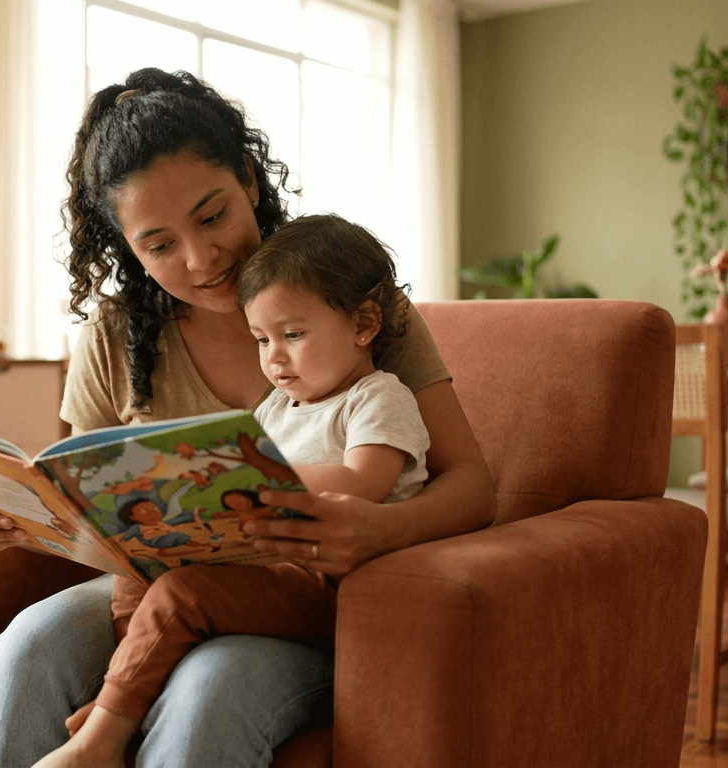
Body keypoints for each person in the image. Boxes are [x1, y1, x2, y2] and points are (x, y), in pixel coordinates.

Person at [0, 68, 495, 768]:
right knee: (29, 644)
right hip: (169, 581)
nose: (201, 260)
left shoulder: (344, 301)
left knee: (212, 683)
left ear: (249, 180)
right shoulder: (116, 335)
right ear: (126, 247)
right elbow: (95, 510)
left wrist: (380, 527)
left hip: (307, 593)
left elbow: (472, 483)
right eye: (159, 244)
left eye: (212, 216)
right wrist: (13, 516)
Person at [32, 213, 431, 768]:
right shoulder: (277, 406)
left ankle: (101, 736)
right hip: (271, 564)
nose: (274, 357)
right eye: (262, 339)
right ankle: (126, 690)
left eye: (292, 335)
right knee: (137, 575)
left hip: (332, 586)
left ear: (364, 324)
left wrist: (255, 479)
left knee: (181, 595)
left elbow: (363, 483)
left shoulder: (378, 398)